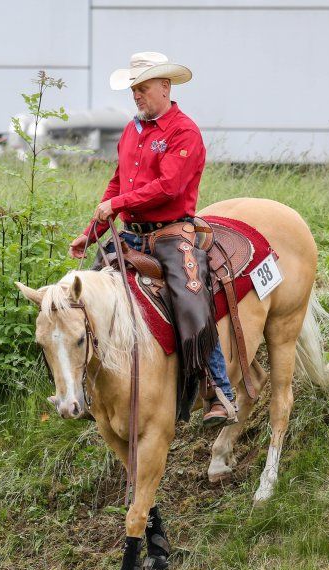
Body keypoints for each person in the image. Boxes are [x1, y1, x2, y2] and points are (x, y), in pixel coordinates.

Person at [68, 51, 236, 426]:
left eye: (142, 87)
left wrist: (117, 204)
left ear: (165, 86)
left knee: (191, 301)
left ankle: (218, 392)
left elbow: (168, 187)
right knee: (83, 299)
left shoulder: (184, 131)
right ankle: (86, 389)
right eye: (134, 88)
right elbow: (118, 183)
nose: (136, 95)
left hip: (171, 236)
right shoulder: (132, 130)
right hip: (130, 235)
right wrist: (90, 233)